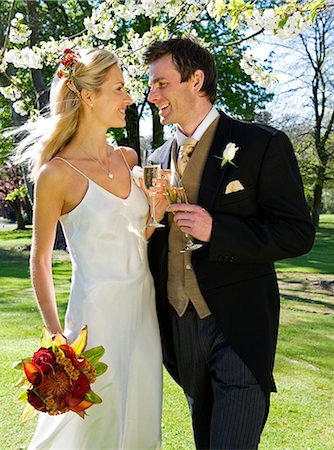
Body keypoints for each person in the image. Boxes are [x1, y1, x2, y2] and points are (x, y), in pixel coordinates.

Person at [144, 37, 315, 449]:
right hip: (180, 324)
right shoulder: (157, 157)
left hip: (239, 325)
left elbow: (297, 232)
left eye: (162, 83)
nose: (152, 96)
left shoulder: (261, 144)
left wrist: (216, 230)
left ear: (196, 79)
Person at [16, 48, 162, 449]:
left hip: (142, 312)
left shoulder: (129, 158)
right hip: (94, 320)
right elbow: (40, 259)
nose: (130, 99)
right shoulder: (56, 173)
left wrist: (154, 216)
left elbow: (133, 240)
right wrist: (55, 334)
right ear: (89, 96)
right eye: (120, 89)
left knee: (140, 416)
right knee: (91, 427)